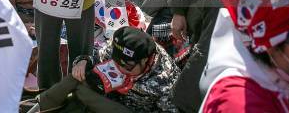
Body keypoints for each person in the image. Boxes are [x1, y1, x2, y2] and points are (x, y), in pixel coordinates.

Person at [26, 26, 178, 113]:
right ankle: (35, 107)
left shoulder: (165, 80)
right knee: (75, 78)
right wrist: (83, 61)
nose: (120, 68)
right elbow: (94, 56)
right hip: (106, 93)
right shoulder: (119, 49)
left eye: (128, 66)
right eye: (117, 62)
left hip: (127, 109)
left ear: (145, 60)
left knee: (79, 91)